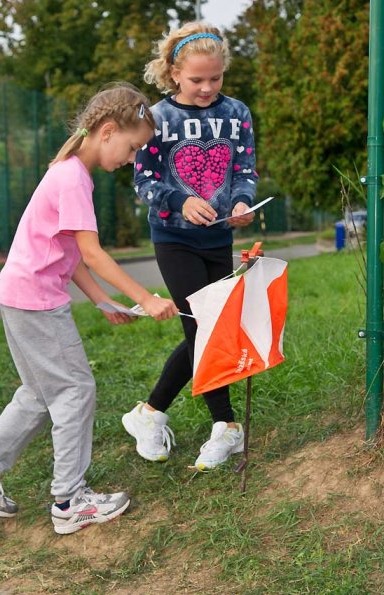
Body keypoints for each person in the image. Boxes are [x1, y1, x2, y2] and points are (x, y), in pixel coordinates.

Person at [0, 84, 178, 535]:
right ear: (108, 131)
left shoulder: (69, 173)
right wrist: (148, 298)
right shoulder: (72, 178)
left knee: (38, 395)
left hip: (19, 297)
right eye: (132, 149)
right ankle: (70, 500)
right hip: (35, 303)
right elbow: (92, 254)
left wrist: (102, 301)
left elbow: (68, 255)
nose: (131, 160)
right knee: (74, 391)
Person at [122, 23, 258, 471]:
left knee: (209, 328)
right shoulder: (155, 118)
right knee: (203, 325)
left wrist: (242, 201)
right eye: (196, 79)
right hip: (174, 238)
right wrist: (180, 199)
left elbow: (245, 171)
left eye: (215, 78)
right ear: (174, 73)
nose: (206, 88)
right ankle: (226, 425)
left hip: (219, 238)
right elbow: (143, 180)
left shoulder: (238, 112)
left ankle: (150, 413)